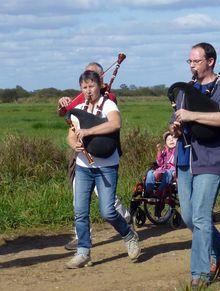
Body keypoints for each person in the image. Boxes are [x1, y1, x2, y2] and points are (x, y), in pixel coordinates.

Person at [170, 42, 220, 287]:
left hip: (212, 158)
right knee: (189, 217)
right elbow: (175, 120)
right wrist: (174, 130)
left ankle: (200, 274)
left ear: (210, 61)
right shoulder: (186, 90)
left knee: (200, 216)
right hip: (185, 158)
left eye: (196, 61)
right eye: (189, 61)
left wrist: (192, 116)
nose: (191, 66)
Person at [65, 70, 140, 268]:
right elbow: (71, 134)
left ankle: (128, 234)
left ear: (100, 86)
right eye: (84, 87)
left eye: (91, 86)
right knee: (80, 211)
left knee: (107, 211)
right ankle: (83, 252)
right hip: (83, 166)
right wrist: (75, 145)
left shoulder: (108, 105)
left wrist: (89, 131)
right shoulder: (79, 108)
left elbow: (116, 124)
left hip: (107, 166)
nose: (88, 90)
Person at [144, 131, 177, 197]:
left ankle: (160, 190)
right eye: (168, 139)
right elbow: (159, 163)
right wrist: (159, 151)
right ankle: (149, 191)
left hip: (173, 170)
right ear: (166, 143)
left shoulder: (177, 150)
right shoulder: (164, 151)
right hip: (162, 169)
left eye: (173, 138)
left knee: (168, 174)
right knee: (150, 173)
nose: (171, 140)